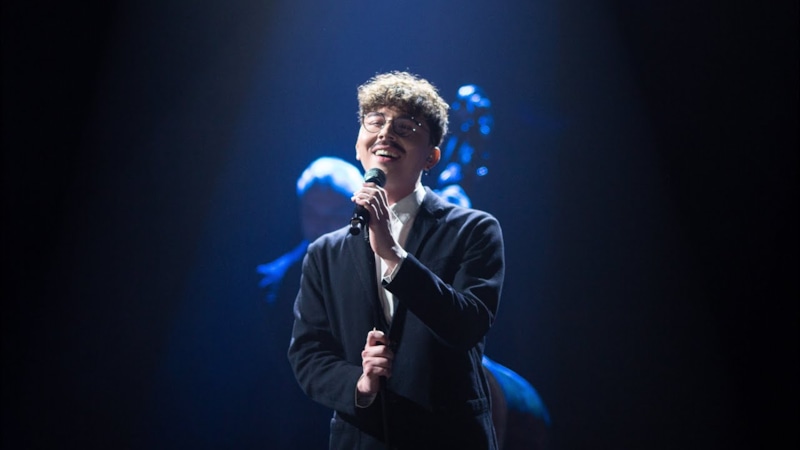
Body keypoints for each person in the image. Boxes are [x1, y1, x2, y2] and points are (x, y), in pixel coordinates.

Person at [288, 71, 505, 449]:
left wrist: (392, 253)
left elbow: (467, 326)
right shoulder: (325, 252)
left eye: (405, 128)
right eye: (375, 122)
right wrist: (360, 384)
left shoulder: (474, 230)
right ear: (358, 145)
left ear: (431, 157)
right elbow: (308, 353)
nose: (386, 133)